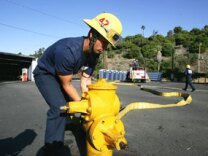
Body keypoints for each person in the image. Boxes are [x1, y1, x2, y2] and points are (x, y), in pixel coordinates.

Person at [33, 12, 122, 155]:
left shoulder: (95, 54)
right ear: (92, 35)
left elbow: (85, 80)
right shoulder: (68, 51)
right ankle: (52, 148)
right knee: (60, 107)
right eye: (103, 41)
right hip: (46, 73)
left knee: (74, 105)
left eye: (107, 44)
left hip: (61, 75)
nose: (104, 48)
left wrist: (89, 103)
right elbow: (67, 84)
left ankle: (72, 125)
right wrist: (85, 106)